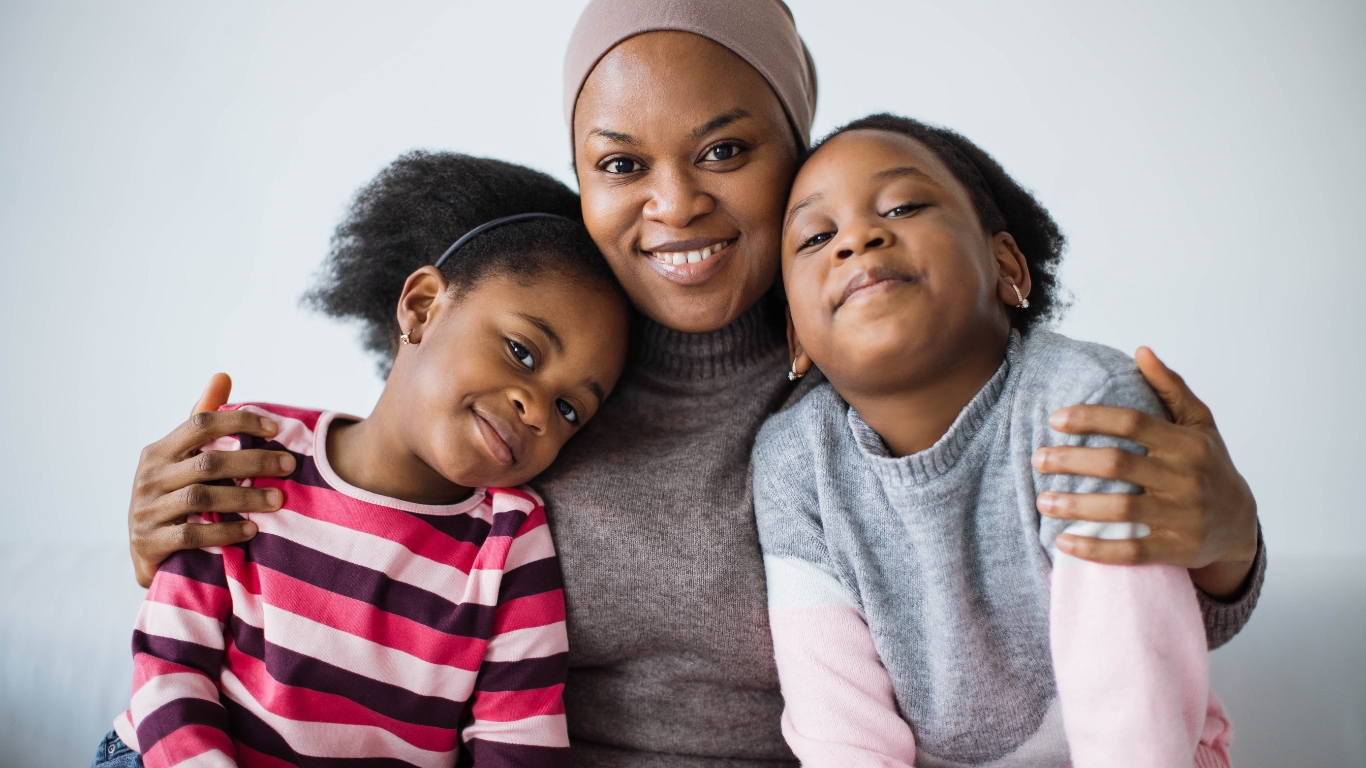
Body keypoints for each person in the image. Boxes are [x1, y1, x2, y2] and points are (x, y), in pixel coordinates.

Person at [119, 2, 1266, 765]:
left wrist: (1225, 545)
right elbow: (361, 543)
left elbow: (1045, 588)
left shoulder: (867, 376)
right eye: (621, 166)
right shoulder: (530, 360)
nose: (672, 205)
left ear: (797, 151)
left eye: (724, 150)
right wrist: (192, 529)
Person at [95, 153, 631, 768]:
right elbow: (169, 667)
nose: (536, 410)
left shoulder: (511, 542)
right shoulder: (248, 453)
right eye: (522, 351)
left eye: (569, 410)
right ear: (423, 306)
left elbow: (520, 740)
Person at [756, 114, 1235, 767]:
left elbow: (1131, 713)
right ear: (796, 339)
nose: (858, 239)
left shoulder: (1085, 400)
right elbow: (842, 737)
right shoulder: (793, 463)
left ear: (1006, 264)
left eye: (902, 205)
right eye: (816, 236)